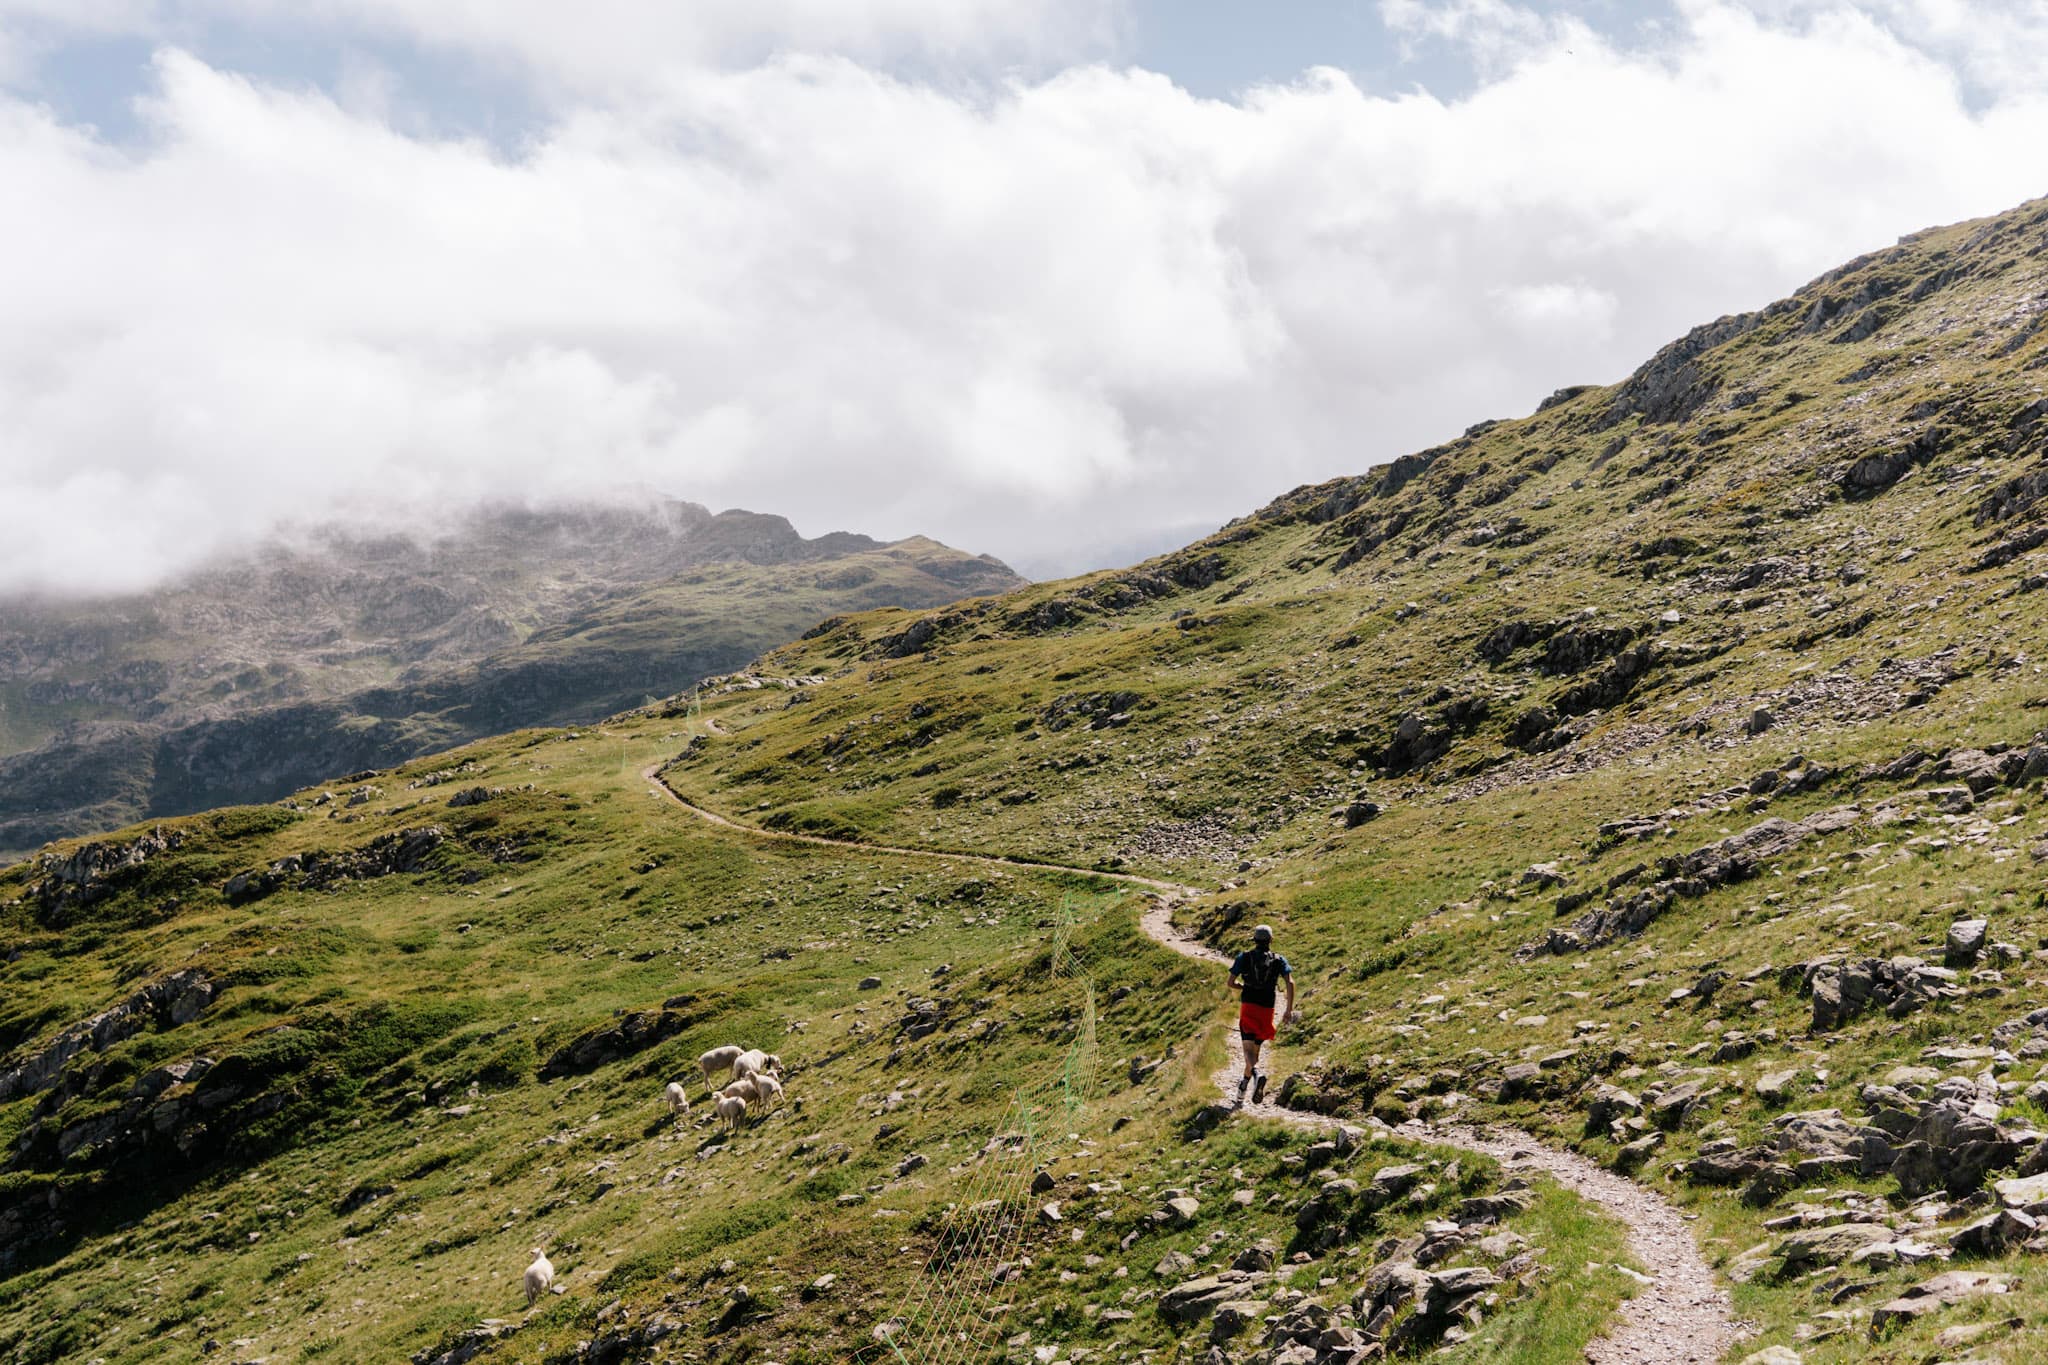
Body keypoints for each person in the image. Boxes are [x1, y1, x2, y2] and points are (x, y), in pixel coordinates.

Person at [1227, 923, 1293, 1105]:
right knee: (1254, 1053)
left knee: (1248, 1053)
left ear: (1254, 940)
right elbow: (1290, 982)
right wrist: (1288, 1009)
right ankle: (1243, 1088)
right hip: (1267, 1008)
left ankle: (1257, 1074)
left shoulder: (1245, 957)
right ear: (1271, 940)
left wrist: (1243, 986)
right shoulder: (1279, 959)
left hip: (1249, 1006)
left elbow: (1230, 982)